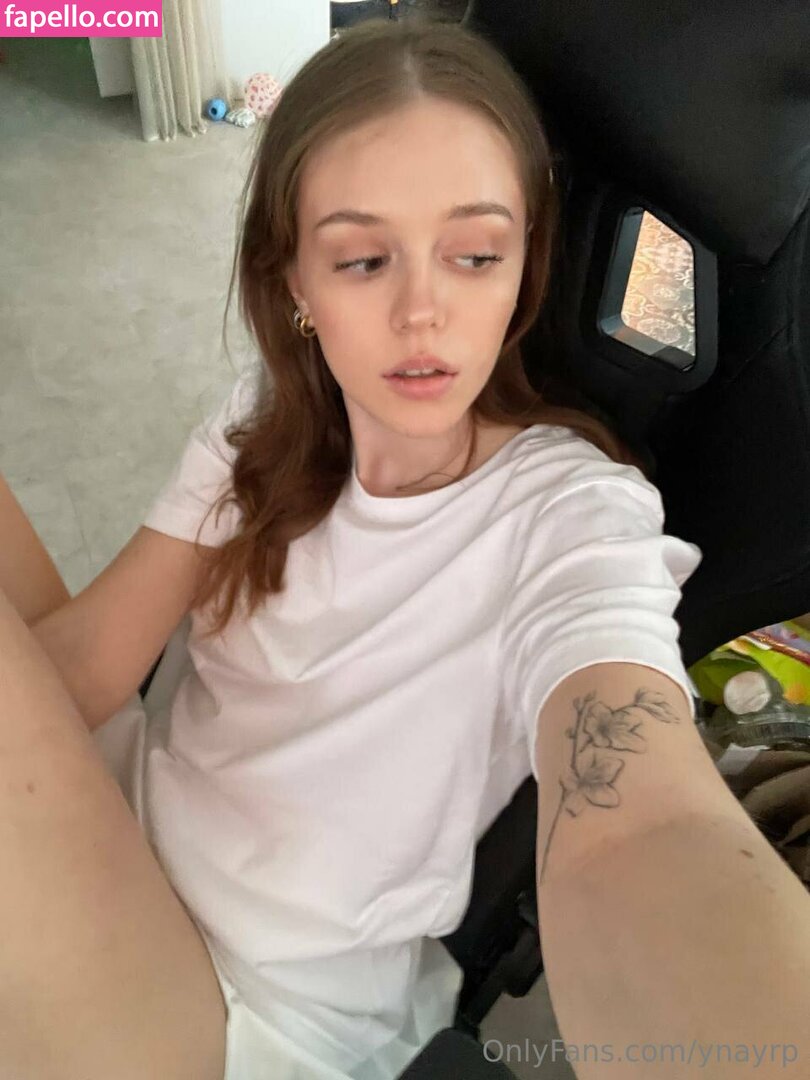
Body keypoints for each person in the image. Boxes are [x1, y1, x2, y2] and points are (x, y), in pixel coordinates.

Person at [1, 16, 808, 1080]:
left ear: (524, 269)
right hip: (128, 825)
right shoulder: (265, 424)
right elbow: (91, 664)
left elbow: (638, 829)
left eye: (475, 256)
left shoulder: (573, 515)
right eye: (363, 259)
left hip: (242, 1008)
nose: (423, 312)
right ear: (296, 282)